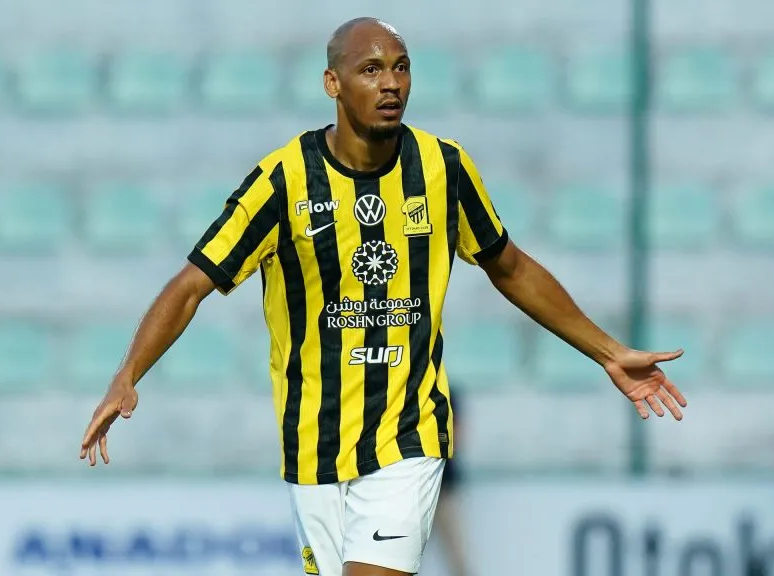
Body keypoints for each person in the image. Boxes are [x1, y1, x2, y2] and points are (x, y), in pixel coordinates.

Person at [78, 17, 689, 576]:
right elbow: (192, 284)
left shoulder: (443, 168)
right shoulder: (284, 181)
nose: (391, 83)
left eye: (401, 67)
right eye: (371, 69)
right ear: (333, 83)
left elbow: (509, 266)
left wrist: (609, 351)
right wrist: (128, 373)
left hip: (409, 437)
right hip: (313, 448)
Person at [430, 387, 470, 576]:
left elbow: (455, 435)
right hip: (410, 488)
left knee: (456, 554)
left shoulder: (445, 391)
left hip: (443, 486)